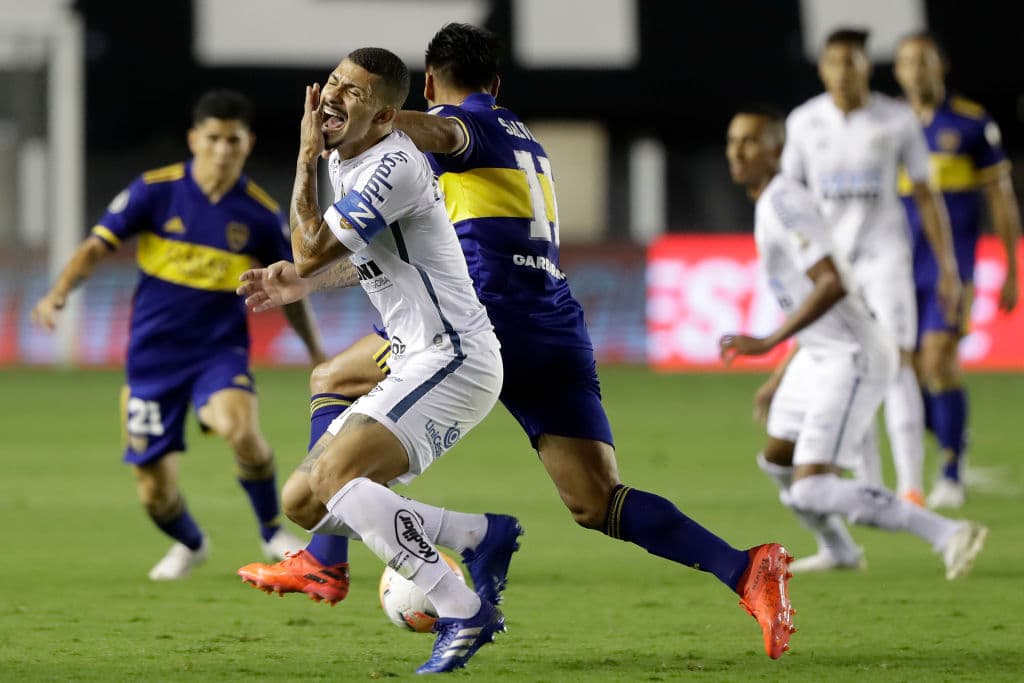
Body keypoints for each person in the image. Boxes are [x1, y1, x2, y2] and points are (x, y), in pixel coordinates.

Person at [237, 23, 795, 661]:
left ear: (421, 87)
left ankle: (327, 561)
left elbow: (441, 132)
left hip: (487, 317)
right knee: (595, 499)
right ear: (498, 83)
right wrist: (309, 276)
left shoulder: (459, 125)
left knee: (331, 384)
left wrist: (377, 118)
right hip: (554, 322)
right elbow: (376, 245)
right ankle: (745, 569)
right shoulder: (523, 136)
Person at [261, 46, 525, 675]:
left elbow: (308, 248)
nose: (332, 95)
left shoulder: (389, 166)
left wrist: (303, 158)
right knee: (303, 502)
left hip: (453, 358)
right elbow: (366, 258)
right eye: (331, 82)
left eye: (352, 93)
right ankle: (474, 535)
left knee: (334, 483)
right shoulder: (354, 161)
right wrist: (307, 286)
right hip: (414, 357)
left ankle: (462, 607)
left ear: (385, 117)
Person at [30, 90, 324, 579]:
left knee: (242, 431)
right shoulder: (155, 191)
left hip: (218, 353)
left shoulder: (257, 213)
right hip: (152, 359)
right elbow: (95, 248)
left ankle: (271, 529)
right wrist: (57, 294)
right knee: (153, 491)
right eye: (213, 138)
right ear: (194, 139)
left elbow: (287, 287)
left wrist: (314, 349)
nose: (223, 149)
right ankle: (192, 543)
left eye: (233, 140)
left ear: (248, 143)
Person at [721, 106, 988, 582]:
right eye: (732, 141)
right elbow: (812, 301)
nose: (737, 152)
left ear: (778, 151)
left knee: (812, 491)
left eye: (750, 141)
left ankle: (948, 532)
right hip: (819, 354)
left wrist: (766, 342)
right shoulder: (769, 203)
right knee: (778, 460)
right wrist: (780, 373)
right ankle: (839, 550)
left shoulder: (785, 204)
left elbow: (831, 285)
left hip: (853, 357)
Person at [780, 28, 962, 518]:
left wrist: (947, 268)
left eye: (851, 62)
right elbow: (790, 199)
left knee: (898, 363)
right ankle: (869, 486)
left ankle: (910, 488)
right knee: (850, 365)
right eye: (834, 63)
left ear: (866, 67)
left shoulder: (896, 119)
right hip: (831, 268)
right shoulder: (804, 122)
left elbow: (926, 194)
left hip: (885, 260)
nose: (843, 72)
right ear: (823, 69)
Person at [893, 32, 1021, 509]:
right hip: (895, 267)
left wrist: (1010, 267)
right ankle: (949, 441)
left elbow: (1000, 198)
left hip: (952, 265)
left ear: (940, 66)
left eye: (923, 61)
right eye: (907, 62)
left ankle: (950, 467)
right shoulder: (889, 124)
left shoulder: (970, 124)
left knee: (939, 357)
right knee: (903, 369)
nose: (915, 70)